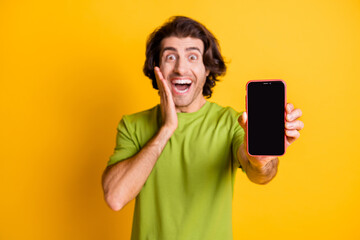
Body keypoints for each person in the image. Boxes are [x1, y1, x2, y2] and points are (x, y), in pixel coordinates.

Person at [101, 16, 304, 240]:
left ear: (207, 69)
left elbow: (261, 175)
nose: (180, 68)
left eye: (192, 56)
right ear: (157, 69)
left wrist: (260, 159)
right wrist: (167, 128)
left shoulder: (229, 122)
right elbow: (115, 197)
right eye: (170, 57)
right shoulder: (132, 126)